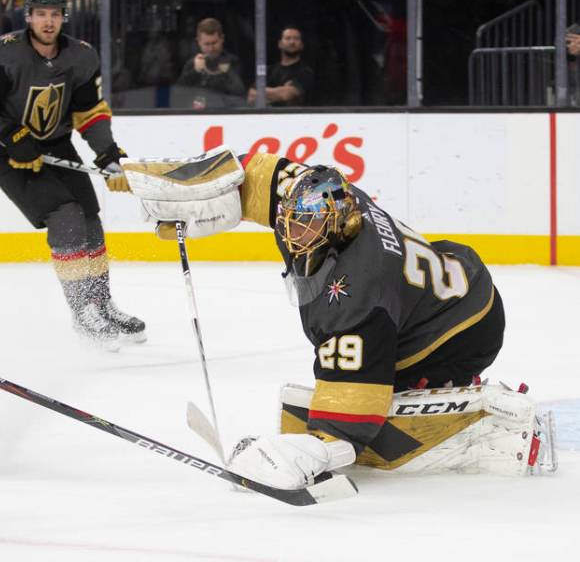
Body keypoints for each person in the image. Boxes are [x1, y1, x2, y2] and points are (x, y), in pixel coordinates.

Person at [121, 150, 554, 490]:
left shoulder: (359, 293)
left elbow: (353, 403)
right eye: (291, 223)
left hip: (462, 328)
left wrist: (317, 449)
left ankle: (454, 402)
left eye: (307, 230)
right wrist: (167, 176)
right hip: (454, 281)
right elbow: (261, 174)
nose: (294, 237)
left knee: (385, 385)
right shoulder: (325, 200)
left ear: (340, 227)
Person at [0, 0, 144, 350]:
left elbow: (90, 112)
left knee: (90, 220)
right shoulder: (4, 52)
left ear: (63, 18)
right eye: (41, 14)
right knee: (65, 215)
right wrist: (10, 136)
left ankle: (102, 304)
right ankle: (82, 313)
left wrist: (107, 153)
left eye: (54, 14)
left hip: (58, 147)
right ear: (28, 17)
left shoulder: (82, 57)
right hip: (11, 157)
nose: (47, 21)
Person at [175, 17, 245, 108]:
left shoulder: (232, 62)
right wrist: (195, 71)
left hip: (225, 115)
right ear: (199, 42)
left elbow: (240, 93)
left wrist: (227, 72)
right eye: (207, 44)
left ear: (222, 39)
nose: (211, 49)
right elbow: (178, 94)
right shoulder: (193, 64)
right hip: (196, 117)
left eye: (214, 43)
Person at [248, 26, 315, 107]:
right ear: (280, 44)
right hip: (268, 118)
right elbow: (251, 96)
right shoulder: (269, 70)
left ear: (301, 45)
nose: (292, 42)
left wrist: (261, 92)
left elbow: (285, 95)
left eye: (296, 38)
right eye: (287, 38)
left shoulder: (305, 72)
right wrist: (280, 91)